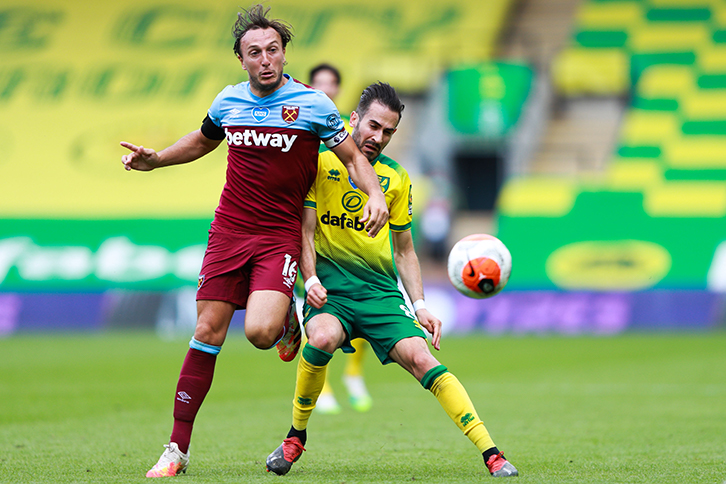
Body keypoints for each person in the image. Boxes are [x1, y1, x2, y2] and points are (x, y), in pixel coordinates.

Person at [119, 5, 388, 478]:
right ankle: (176, 450)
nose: (265, 59)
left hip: (278, 234)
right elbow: (203, 140)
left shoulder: (312, 105)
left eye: (273, 50)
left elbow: (351, 157)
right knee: (206, 332)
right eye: (254, 53)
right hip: (229, 230)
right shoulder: (228, 101)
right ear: (241, 60)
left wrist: (373, 194)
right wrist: (157, 159)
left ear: (284, 55)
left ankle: (285, 320)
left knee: (261, 334)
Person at [265, 82, 518, 478]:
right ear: (353, 120)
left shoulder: (397, 180)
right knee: (323, 337)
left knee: (423, 358)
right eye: (373, 126)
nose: (378, 137)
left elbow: (404, 251)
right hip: (330, 293)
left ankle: (492, 453)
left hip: (381, 294)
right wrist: (310, 278)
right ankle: (295, 437)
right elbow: (306, 230)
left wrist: (419, 305)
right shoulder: (318, 163)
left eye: (388, 132)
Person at [308, 62, 372, 415]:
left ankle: (353, 374)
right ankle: (325, 387)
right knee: (317, 311)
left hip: (344, 226)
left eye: (331, 84)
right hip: (310, 227)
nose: (325, 90)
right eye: (319, 84)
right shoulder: (302, 124)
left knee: (360, 303)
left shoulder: (344, 133)